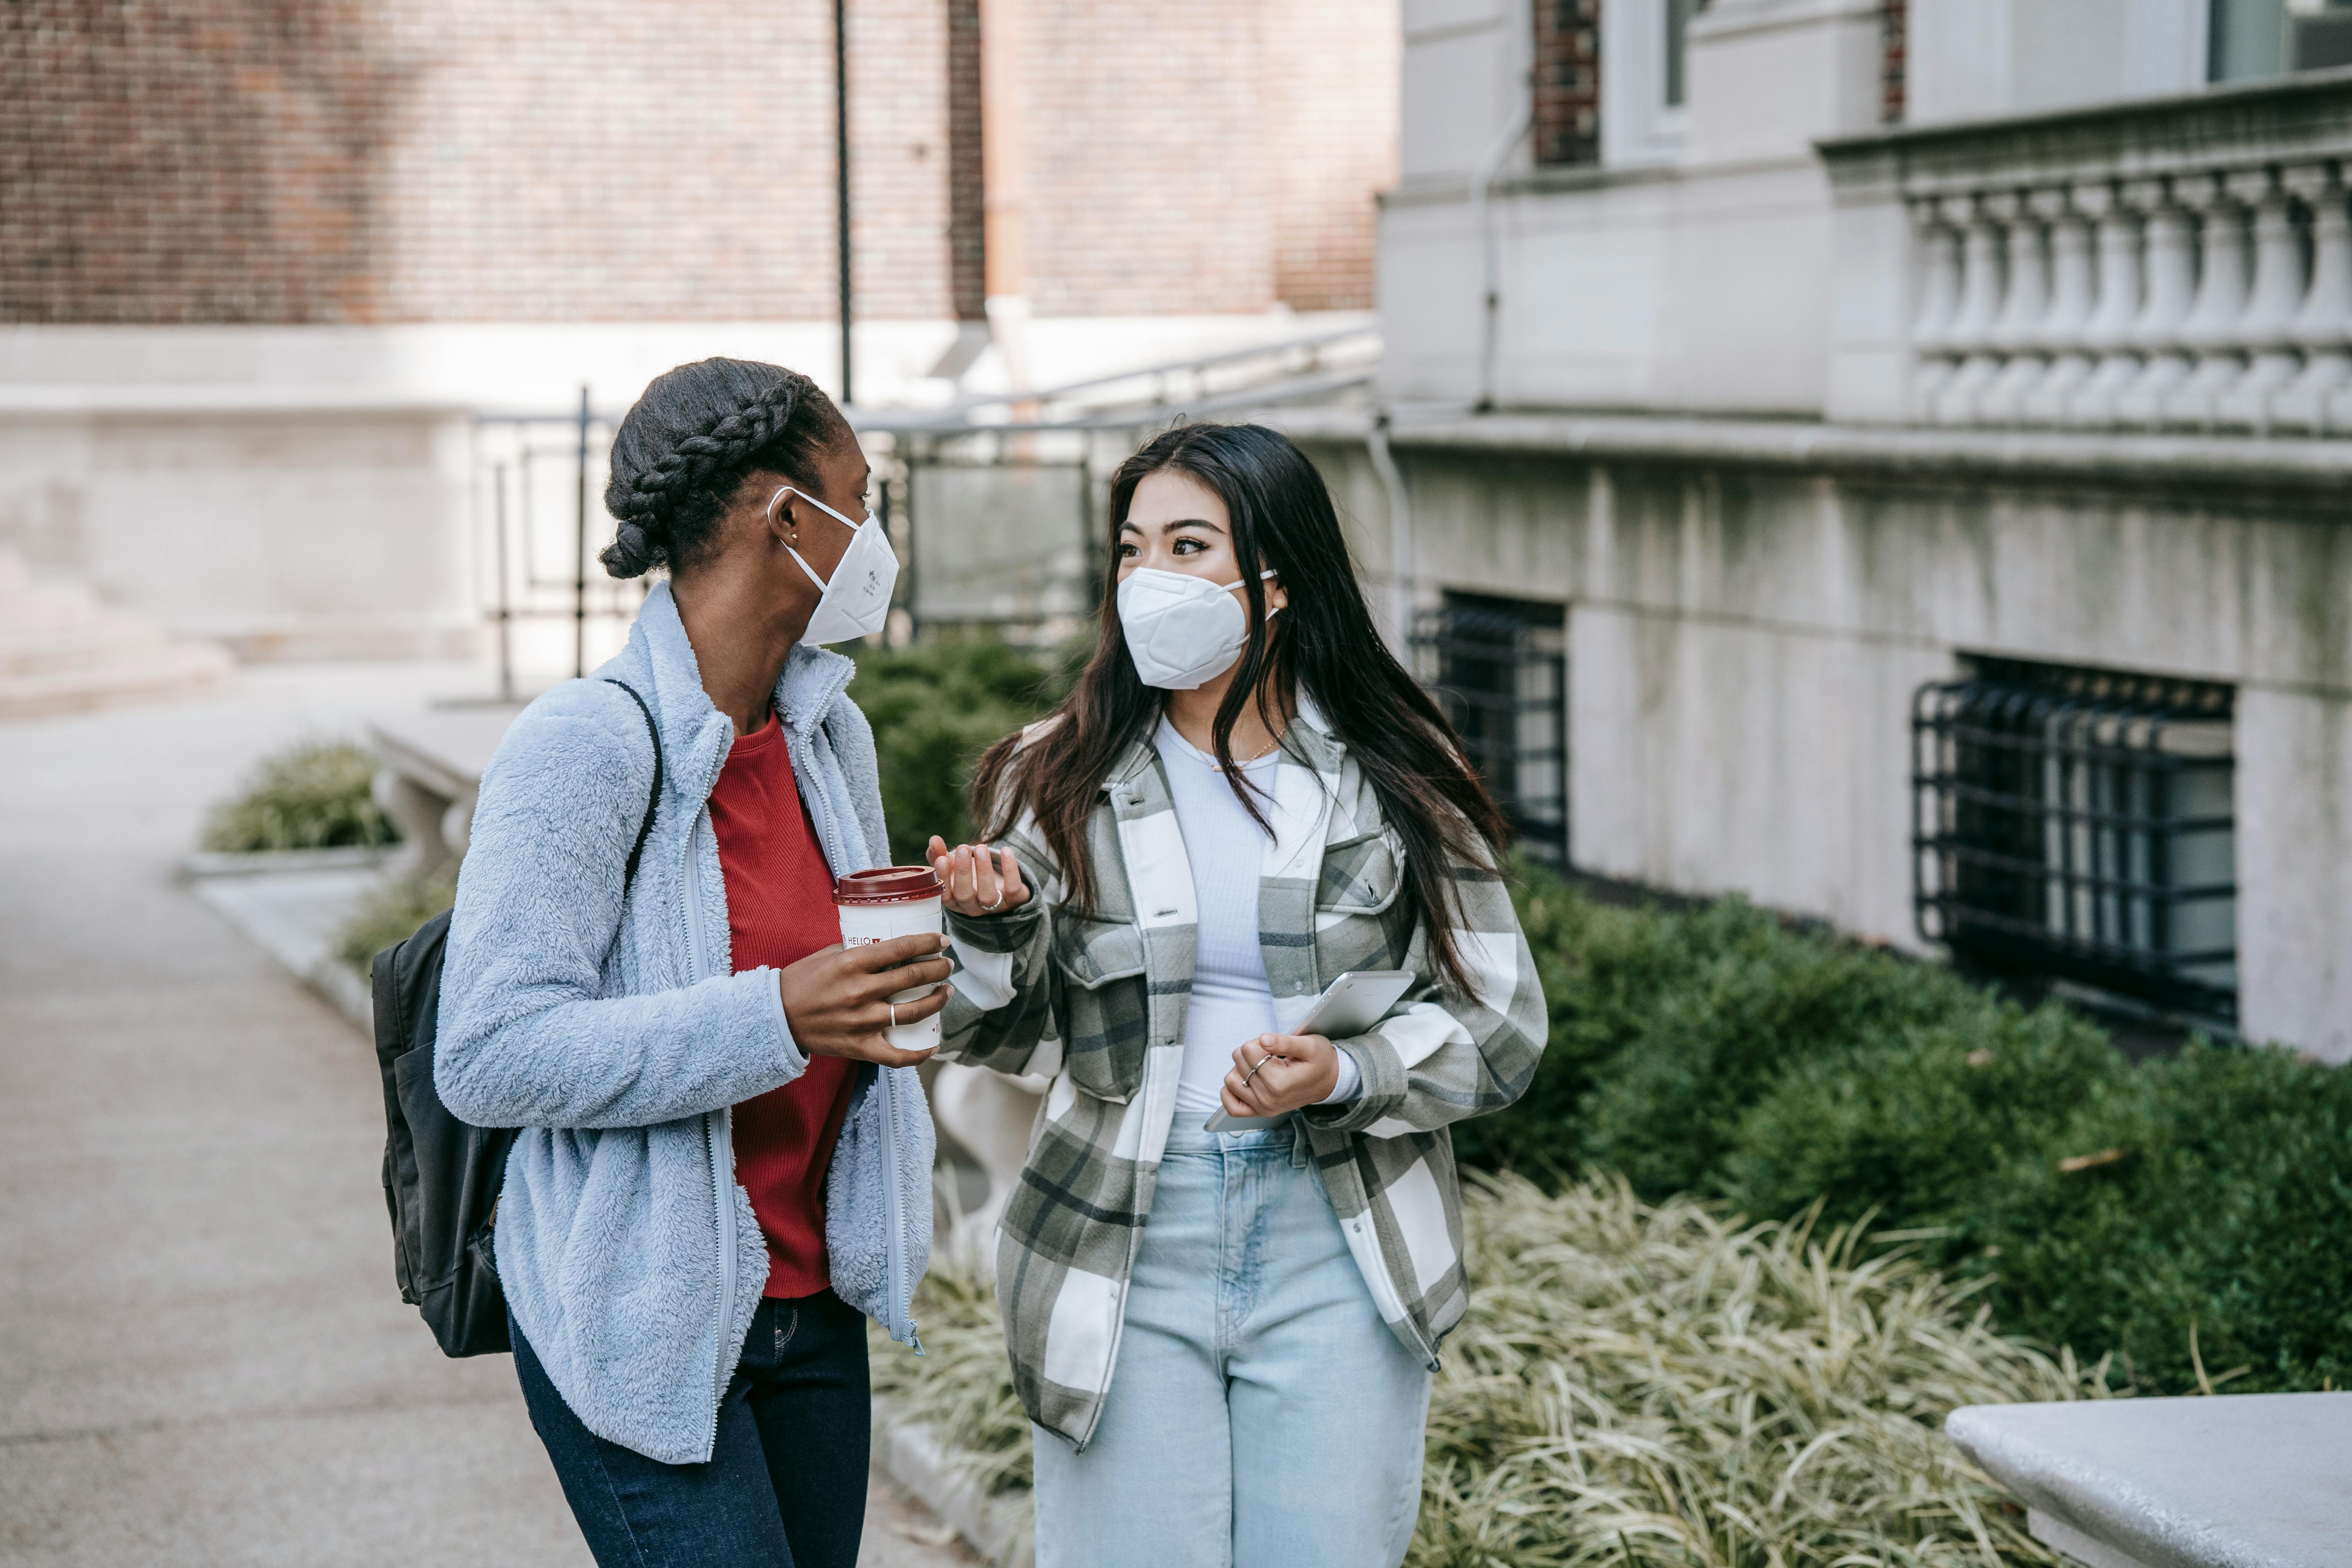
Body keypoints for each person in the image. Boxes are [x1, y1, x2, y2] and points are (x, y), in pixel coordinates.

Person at [927, 421, 1548, 1568]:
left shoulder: (1396, 779)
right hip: (1119, 1229)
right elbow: (996, 1035)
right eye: (1132, 548)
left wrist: (1347, 1071)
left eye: (1188, 545)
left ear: (1275, 583)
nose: (1149, 578)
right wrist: (989, 927)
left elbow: (1503, 1024)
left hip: (1337, 1234)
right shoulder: (1054, 775)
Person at [434, 358, 947, 1568]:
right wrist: (777, 1014)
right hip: (643, 1317)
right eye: (860, 499)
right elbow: (490, 1053)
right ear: (788, 519)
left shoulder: (831, 734)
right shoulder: (584, 745)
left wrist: (957, 945)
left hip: (813, 1309)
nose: (874, 534)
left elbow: (843, 1006)